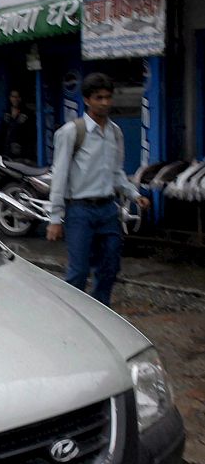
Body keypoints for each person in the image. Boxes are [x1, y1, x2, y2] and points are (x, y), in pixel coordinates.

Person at [46, 73, 149, 306]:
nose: (105, 102)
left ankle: (101, 310)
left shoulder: (115, 132)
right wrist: (55, 218)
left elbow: (116, 172)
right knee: (79, 271)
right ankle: (76, 315)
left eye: (108, 97)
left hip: (107, 211)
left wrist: (134, 194)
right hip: (80, 211)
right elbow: (60, 175)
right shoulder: (71, 132)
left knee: (110, 267)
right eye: (99, 97)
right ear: (87, 100)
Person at [0, 88, 37, 163]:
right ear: (10, 98)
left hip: (21, 154)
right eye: (13, 96)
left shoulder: (27, 114)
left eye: (17, 97)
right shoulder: (7, 113)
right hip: (7, 152)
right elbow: (2, 133)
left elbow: (31, 134)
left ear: (20, 98)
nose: (15, 99)